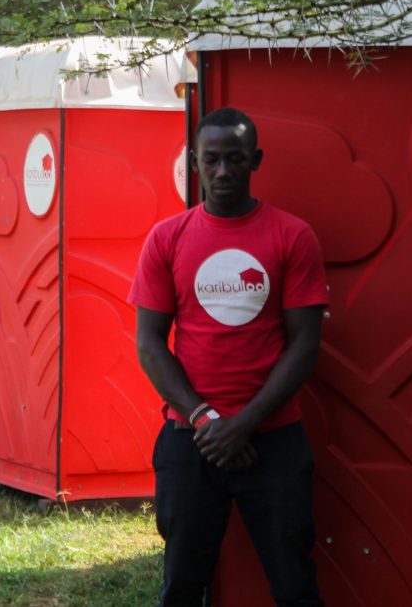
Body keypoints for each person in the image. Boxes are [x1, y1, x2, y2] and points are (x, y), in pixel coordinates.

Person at [128, 107, 328, 607]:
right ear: (194, 162)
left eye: (235, 159)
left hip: (274, 440)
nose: (223, 172)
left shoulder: (293, 236)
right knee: (181, 587)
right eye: (211, 159)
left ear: (254, 160)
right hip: (189, 441)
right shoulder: (166, 238)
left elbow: (305, 343)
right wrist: (205, 419)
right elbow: (150, 343)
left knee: (295, 586)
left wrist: (244, 424)